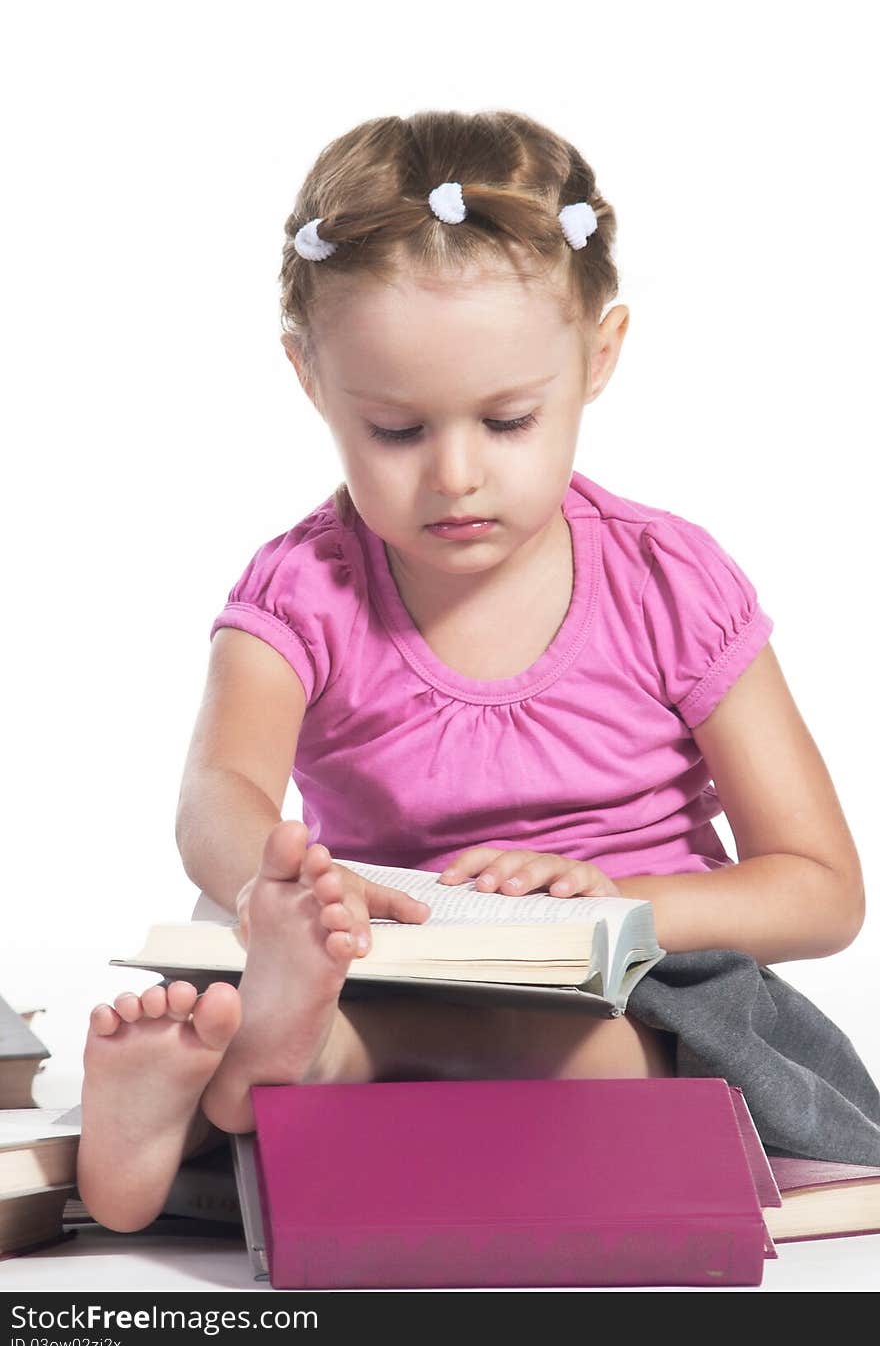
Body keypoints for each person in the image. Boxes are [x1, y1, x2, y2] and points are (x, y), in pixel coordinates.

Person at [77, 109, 867, 1232]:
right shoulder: (305, 585)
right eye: (395, 430)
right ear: (309, 377)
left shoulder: (667, 579)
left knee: (619, 1057)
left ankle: (278, 1078)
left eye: (507, 420)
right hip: (375, 958)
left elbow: (821, 887)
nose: (456, 474)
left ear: (598, 358)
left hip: (623, 986)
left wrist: (618, 902)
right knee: (232, 932)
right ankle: (219, 1083)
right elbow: (219, 792)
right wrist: (284, 888)